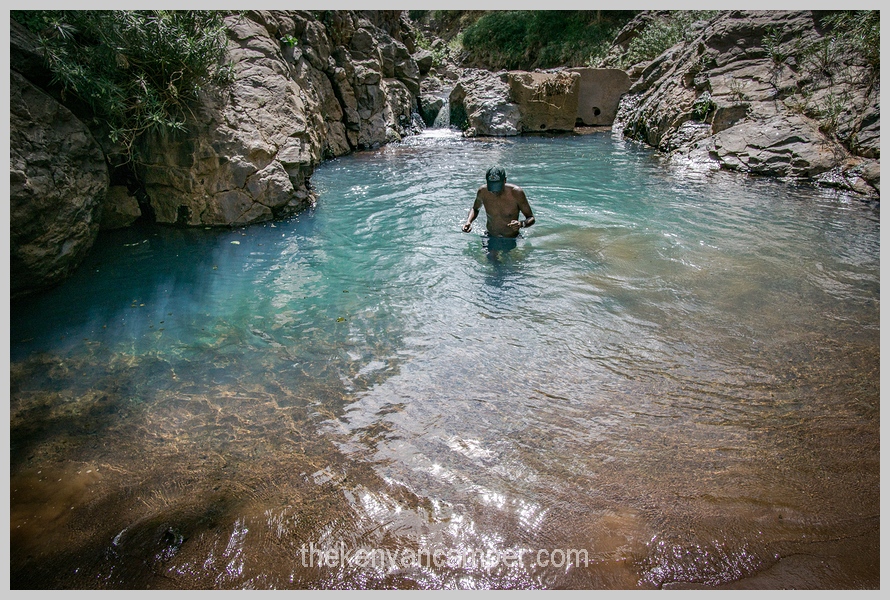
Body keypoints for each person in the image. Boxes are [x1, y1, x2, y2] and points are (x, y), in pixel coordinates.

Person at [462, 166, 535, 238]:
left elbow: (531, 218)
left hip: (511, 238)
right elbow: (475, 209)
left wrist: (521, 224)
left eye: (497, 186)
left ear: (505, 180)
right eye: (492, 186)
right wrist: (468, 222)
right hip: (490, 236)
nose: (494, 191)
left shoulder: (516, 193)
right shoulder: (483, 192)